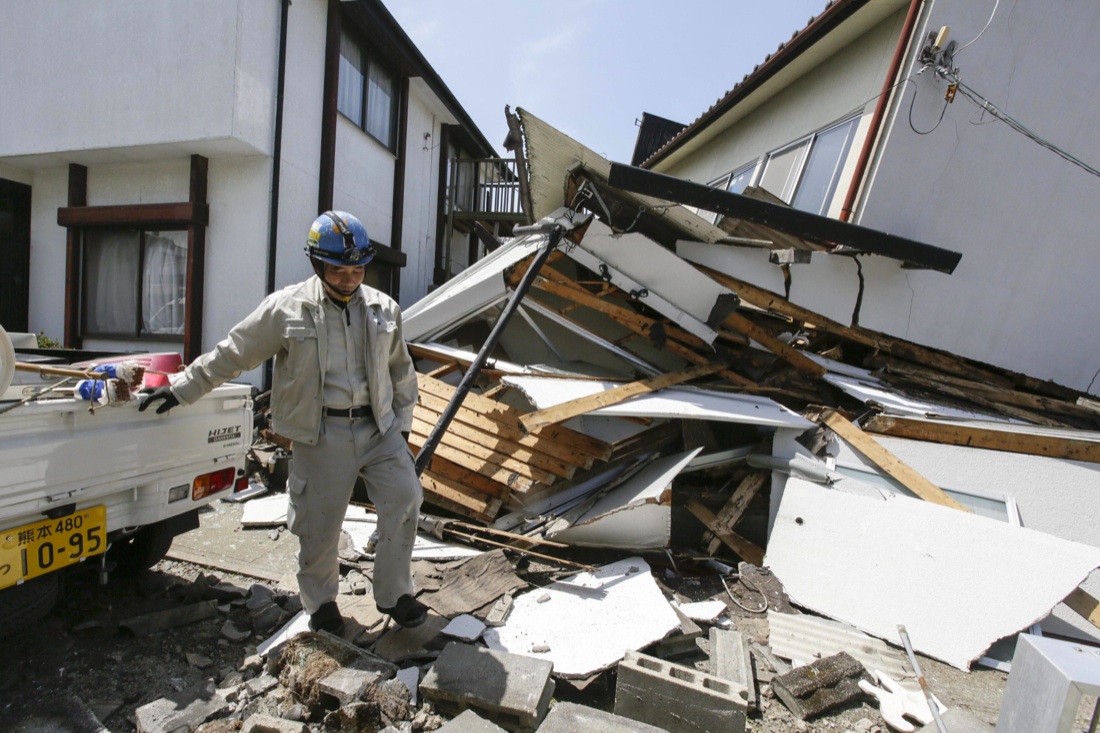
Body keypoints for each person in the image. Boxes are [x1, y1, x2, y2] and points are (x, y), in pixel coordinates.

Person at [140, 210, 427, 633]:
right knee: (318, 524)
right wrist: (182, 387)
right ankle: (322, 603)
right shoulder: (287, 309)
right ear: (316, 264)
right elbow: (235, 351)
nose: (350, 278)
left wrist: (402, 426)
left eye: (357, 269)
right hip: (321, 432)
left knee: (406, 499)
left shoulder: (384, 309)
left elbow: (402, 371)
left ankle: (395, 594)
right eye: (339, 270)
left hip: (379, 428)